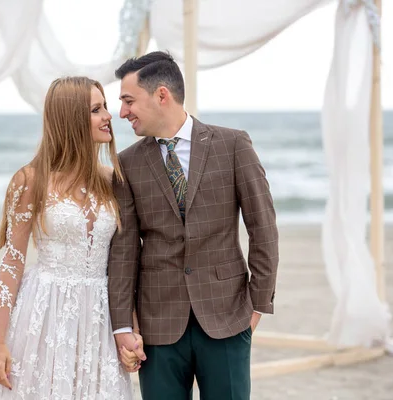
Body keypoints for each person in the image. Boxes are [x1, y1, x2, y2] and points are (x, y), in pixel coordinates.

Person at [108, 51, 279, 399]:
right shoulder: (126, 165)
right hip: (158, 327)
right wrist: (123, 324)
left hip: (228, 316)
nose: (122, 112)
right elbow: (124, 253)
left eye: (128, 100)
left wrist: (258, 303)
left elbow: (263, 227)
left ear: (161, 95)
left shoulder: (232, 145)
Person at [0, 76, 138, 399]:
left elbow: (125, 263)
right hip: (44, 314)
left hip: (98, 319)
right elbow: (11, 264)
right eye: (96, 109)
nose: (108, 115)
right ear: (71, 118)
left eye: (105, 106)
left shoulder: (113, 180)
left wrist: (131, 327)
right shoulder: (30, 180)